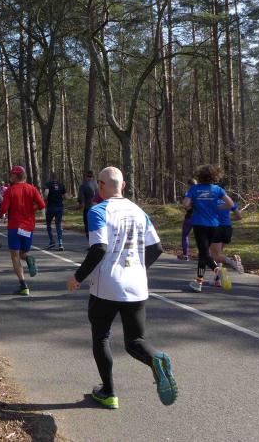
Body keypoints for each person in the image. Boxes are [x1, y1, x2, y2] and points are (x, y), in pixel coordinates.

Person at [67, 167, 177, 410]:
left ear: (100, 185)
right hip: (136, 284)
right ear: (123, 185)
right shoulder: (139, 211)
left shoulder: (98, 210)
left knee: (101, 336)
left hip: (106, 285)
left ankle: (108, 392)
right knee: (135, 341)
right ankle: (155, 359)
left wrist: (77, 277)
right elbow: (157, 248)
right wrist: (138, 268)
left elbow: (99, 248)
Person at [182, 165, 234, 293]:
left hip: (200, 225)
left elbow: (185, 204)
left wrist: (192, 207)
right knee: (203, 254)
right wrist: (217, 208)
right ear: (214, 176)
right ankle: (198, 282)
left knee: (204, 254)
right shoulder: (218, 189)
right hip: (214, 225)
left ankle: (218, 271)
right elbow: (230, 204)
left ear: (200, 176)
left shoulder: (194, 189)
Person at [0, 165, 45, 296]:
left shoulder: (10, 190)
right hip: (28, 227)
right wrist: (31, 210)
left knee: (15, 256)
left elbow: (3, 209)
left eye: (11, 174)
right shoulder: (32, 188)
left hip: (14, 226)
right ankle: (29, 258)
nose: (10, 177)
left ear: (15, 176)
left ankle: (23, 285)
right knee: (23, 253)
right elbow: (42, 205)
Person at [211, 191, 244, 287]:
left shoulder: (211, 201)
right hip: (227, 228)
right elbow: (239, 217)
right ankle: (217, 280)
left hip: (215, 228)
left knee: (214, 256)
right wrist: (228, 219)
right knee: (218, 254)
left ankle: (232, 261)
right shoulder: (229, 201)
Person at [44, 172, 66, 250]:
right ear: (57, 178)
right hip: (59, 207)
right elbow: (66, 196)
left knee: (48, 224)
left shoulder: (48, 184)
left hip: (51, 207)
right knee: (58, 225)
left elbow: (46, 194)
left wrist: (45, 199)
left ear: (51, 177)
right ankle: (60, 243)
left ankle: (52, 241)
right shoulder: (61, 185)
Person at [177, 178, 196, 261]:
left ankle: (185, 255)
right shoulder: (201, 193)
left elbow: (185, 205)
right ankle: (205, 255)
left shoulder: (188, 193)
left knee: (185, 235)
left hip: (190, 217)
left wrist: (188, 208)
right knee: (201, 237)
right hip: (200, 217)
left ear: (189, 185)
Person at [78, 170, 98, 238]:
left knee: (87, 223)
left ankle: (89, 238)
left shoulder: (83, 185)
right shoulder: (97, 185)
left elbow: (81, 197)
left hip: (88, 207)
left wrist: (81, 203)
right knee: (95, 223)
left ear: (86, 177)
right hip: (97, 207)